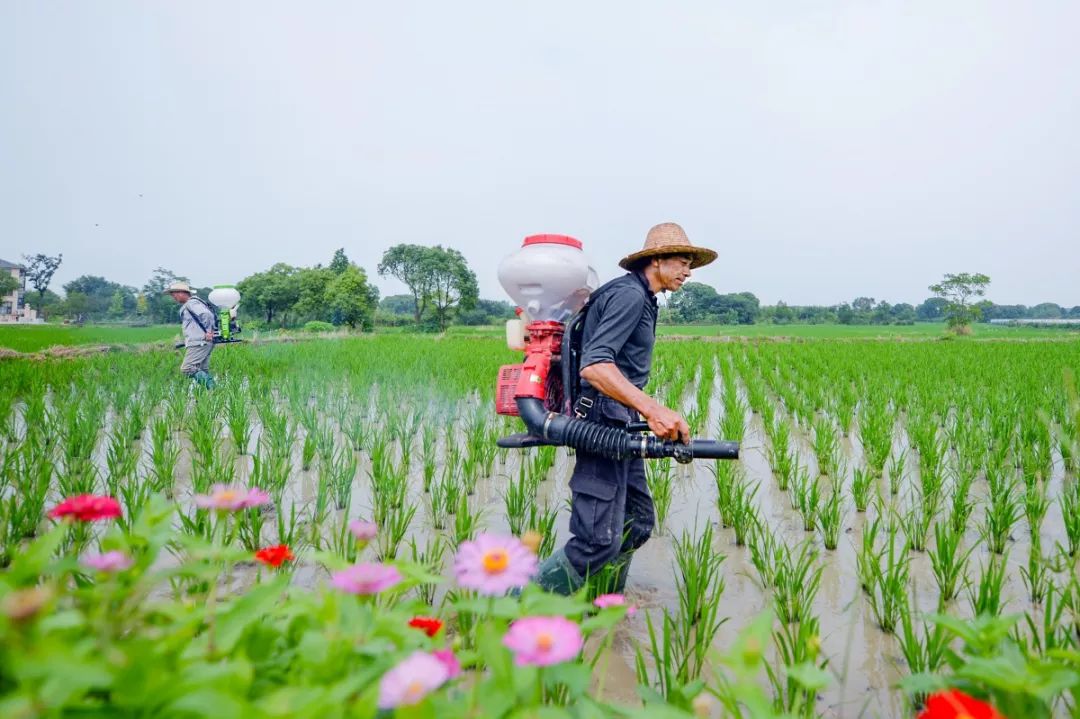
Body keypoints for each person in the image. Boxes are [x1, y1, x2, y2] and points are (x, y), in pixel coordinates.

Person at [535, 222, 717, 595]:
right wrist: (654, 410)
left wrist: (641, 413)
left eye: (690, 266)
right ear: (656, 260)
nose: (687, 272)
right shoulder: (629, 296)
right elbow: (596, 366)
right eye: (682, 262)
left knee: (637, 521)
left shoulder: (643, 297)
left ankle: (604, 606)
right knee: (595, 541)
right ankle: (514, 613)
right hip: (601, 420)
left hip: (619, 419)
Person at [165, 281, 217, 389]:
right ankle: (210, 395)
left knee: (187, 368)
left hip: (200, 342)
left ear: (181, 293)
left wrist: (209, 331)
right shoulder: (195, 303)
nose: (173, 297)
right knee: (202, 369)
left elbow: (207, 315)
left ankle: (214, 389)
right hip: (201, 342)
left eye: (173, 294)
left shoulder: (191, 303)